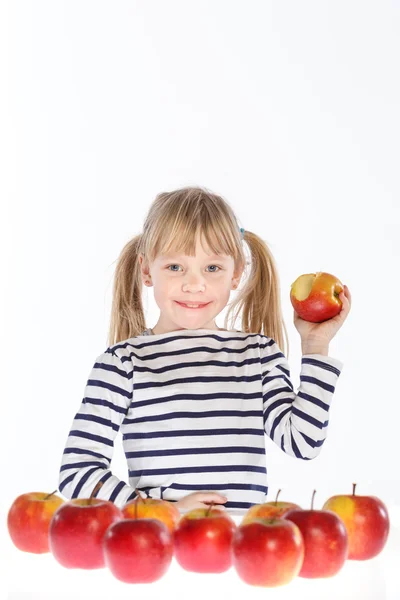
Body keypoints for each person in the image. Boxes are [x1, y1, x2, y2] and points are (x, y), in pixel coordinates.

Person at [57, 186, 351, 514]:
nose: (194, 284)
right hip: (163, 548)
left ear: (236, 273)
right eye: (175, 267)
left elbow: (304, 443)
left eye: (212, 268)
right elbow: (77, 471)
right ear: (146, 269)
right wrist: (159, 509)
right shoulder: (122, 364)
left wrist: (315, 347)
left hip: (246, 551)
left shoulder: (258, 355)